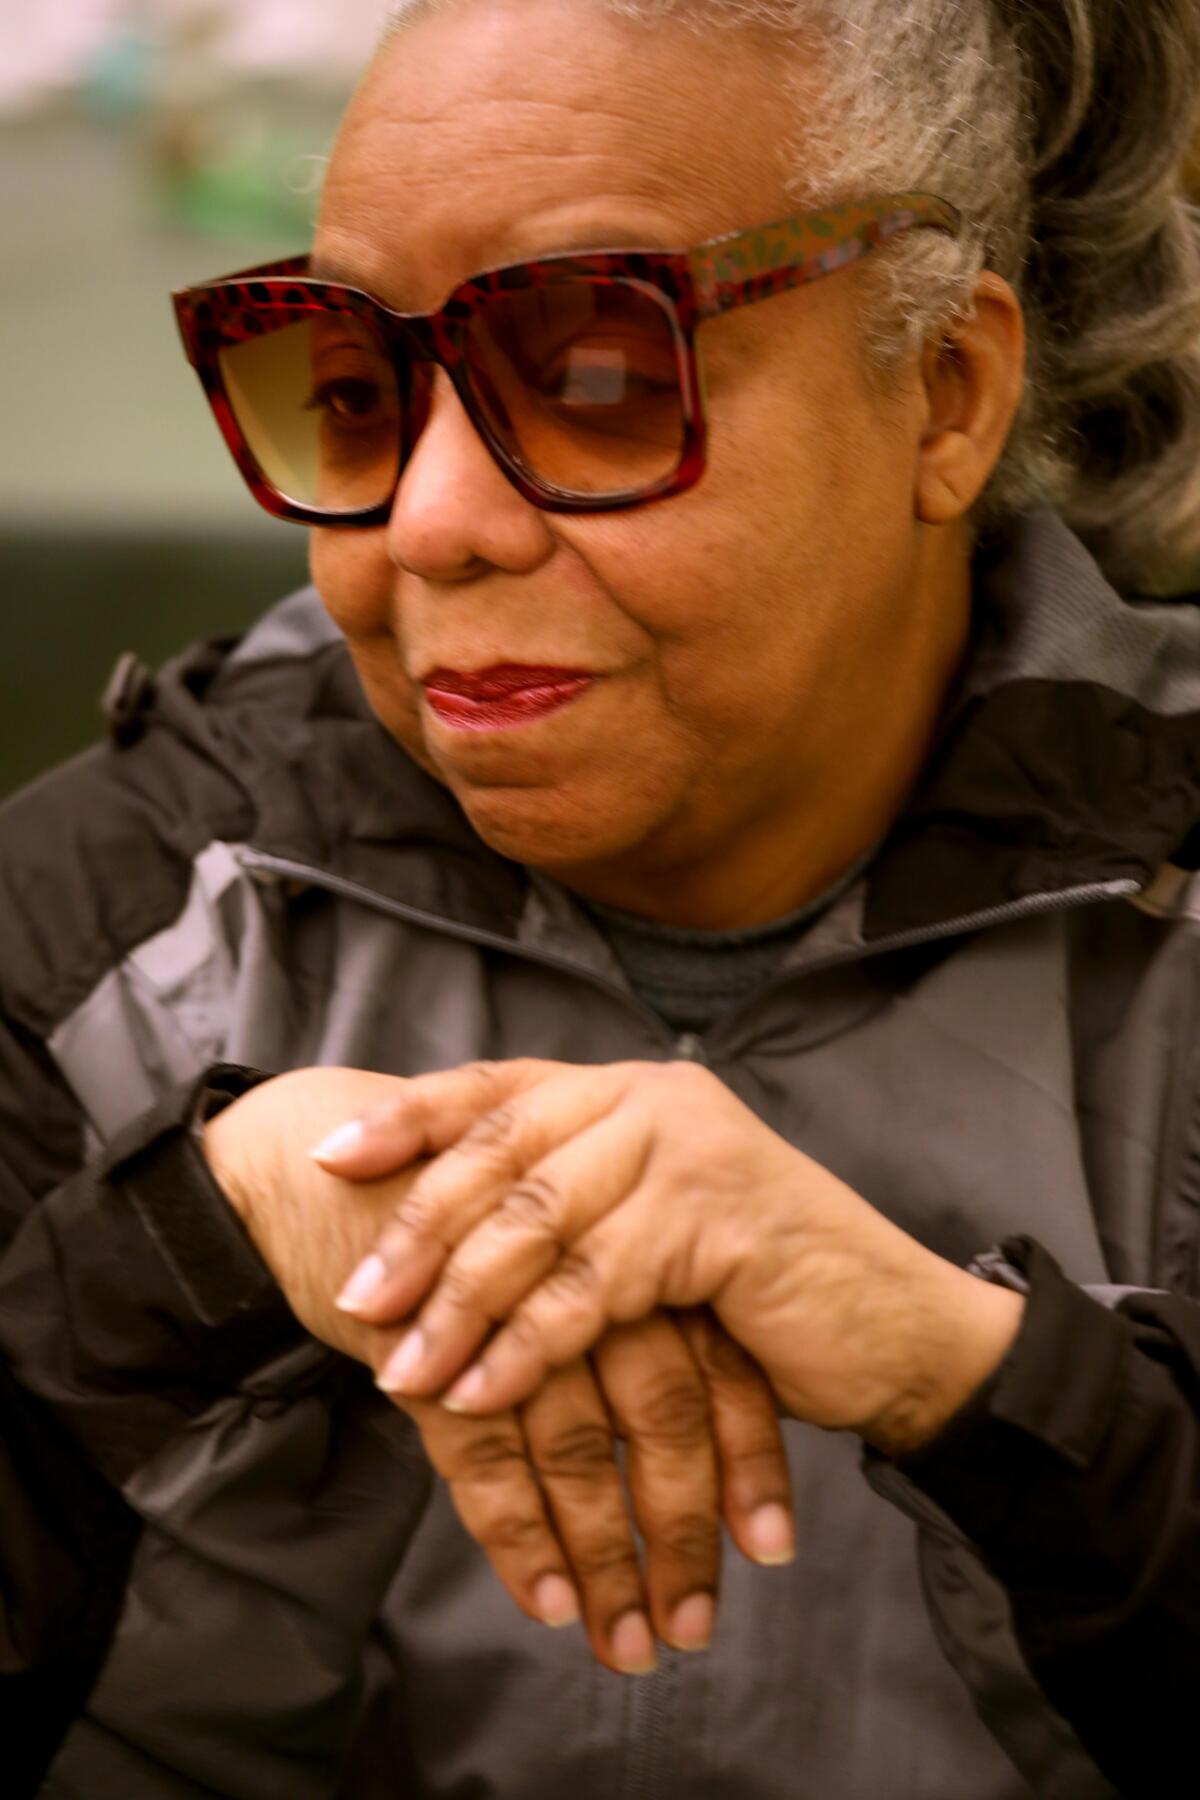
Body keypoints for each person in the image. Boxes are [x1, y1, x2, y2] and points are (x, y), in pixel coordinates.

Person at [2, 0, 1199, 1794]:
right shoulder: (112, 927)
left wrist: (978, 1380)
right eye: (352, 388)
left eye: (598, 377)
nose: (428, 522)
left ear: (945, 390)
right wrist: (195, 1240)